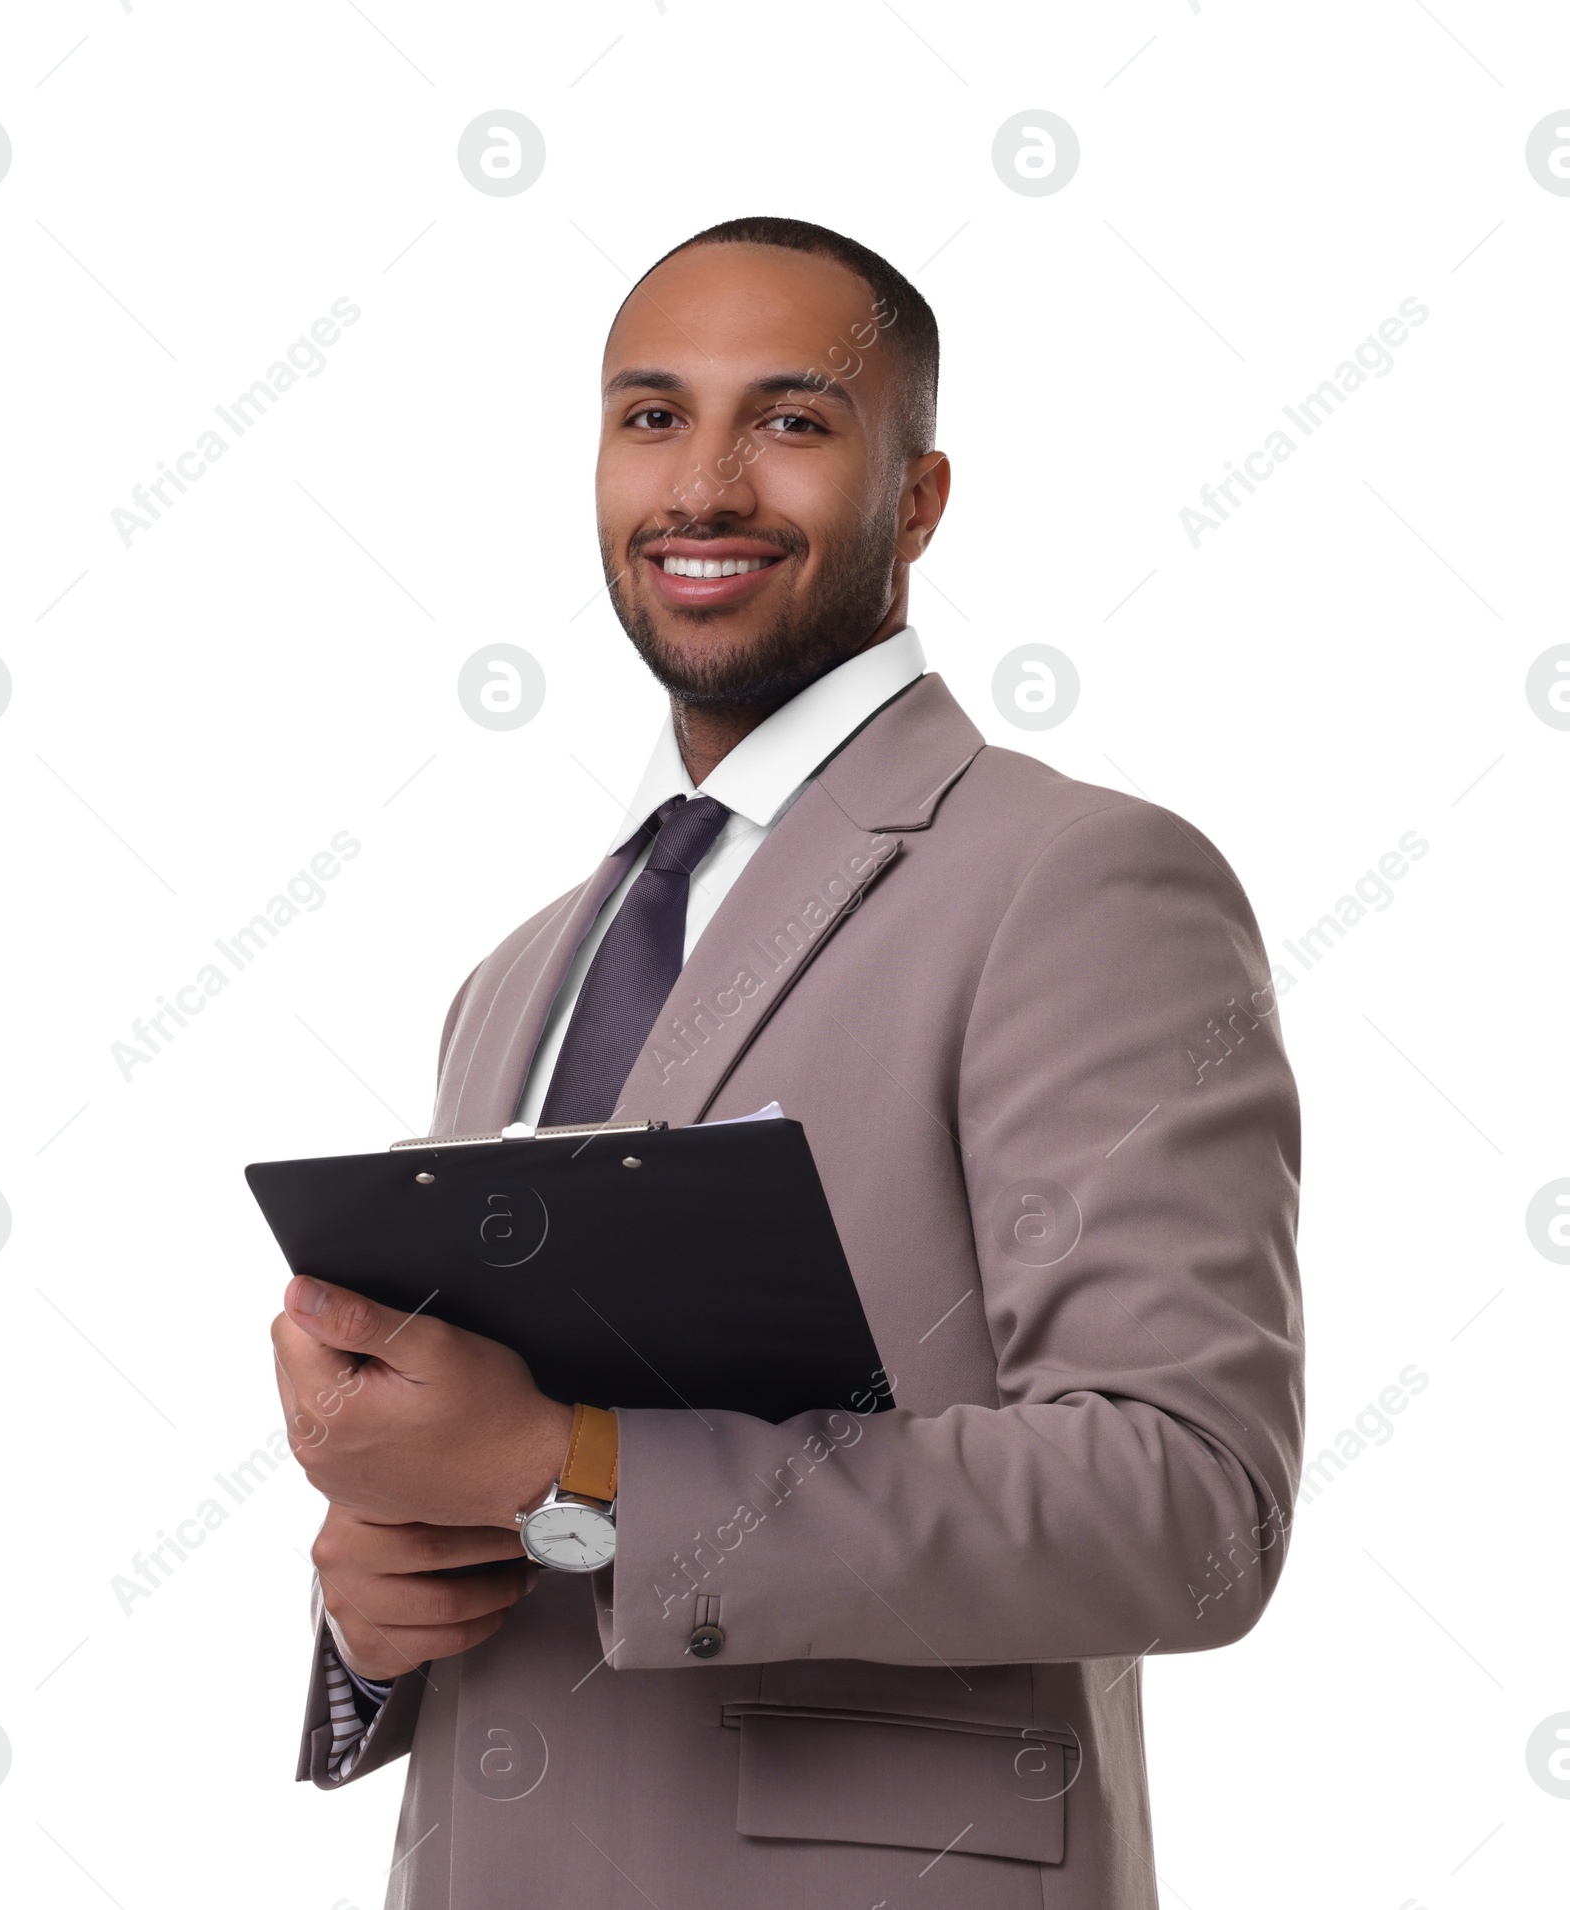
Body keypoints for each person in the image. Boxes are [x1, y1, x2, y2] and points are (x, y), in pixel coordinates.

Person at [271, 215, 1304, 1910]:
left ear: (916, 497)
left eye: (794, 421)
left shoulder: (1083, 880)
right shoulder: (519, 972)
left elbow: (1189, 1502)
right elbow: (529, 1518)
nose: (706, 484)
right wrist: (371, 1602)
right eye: (652, 414)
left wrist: (565, 1460)